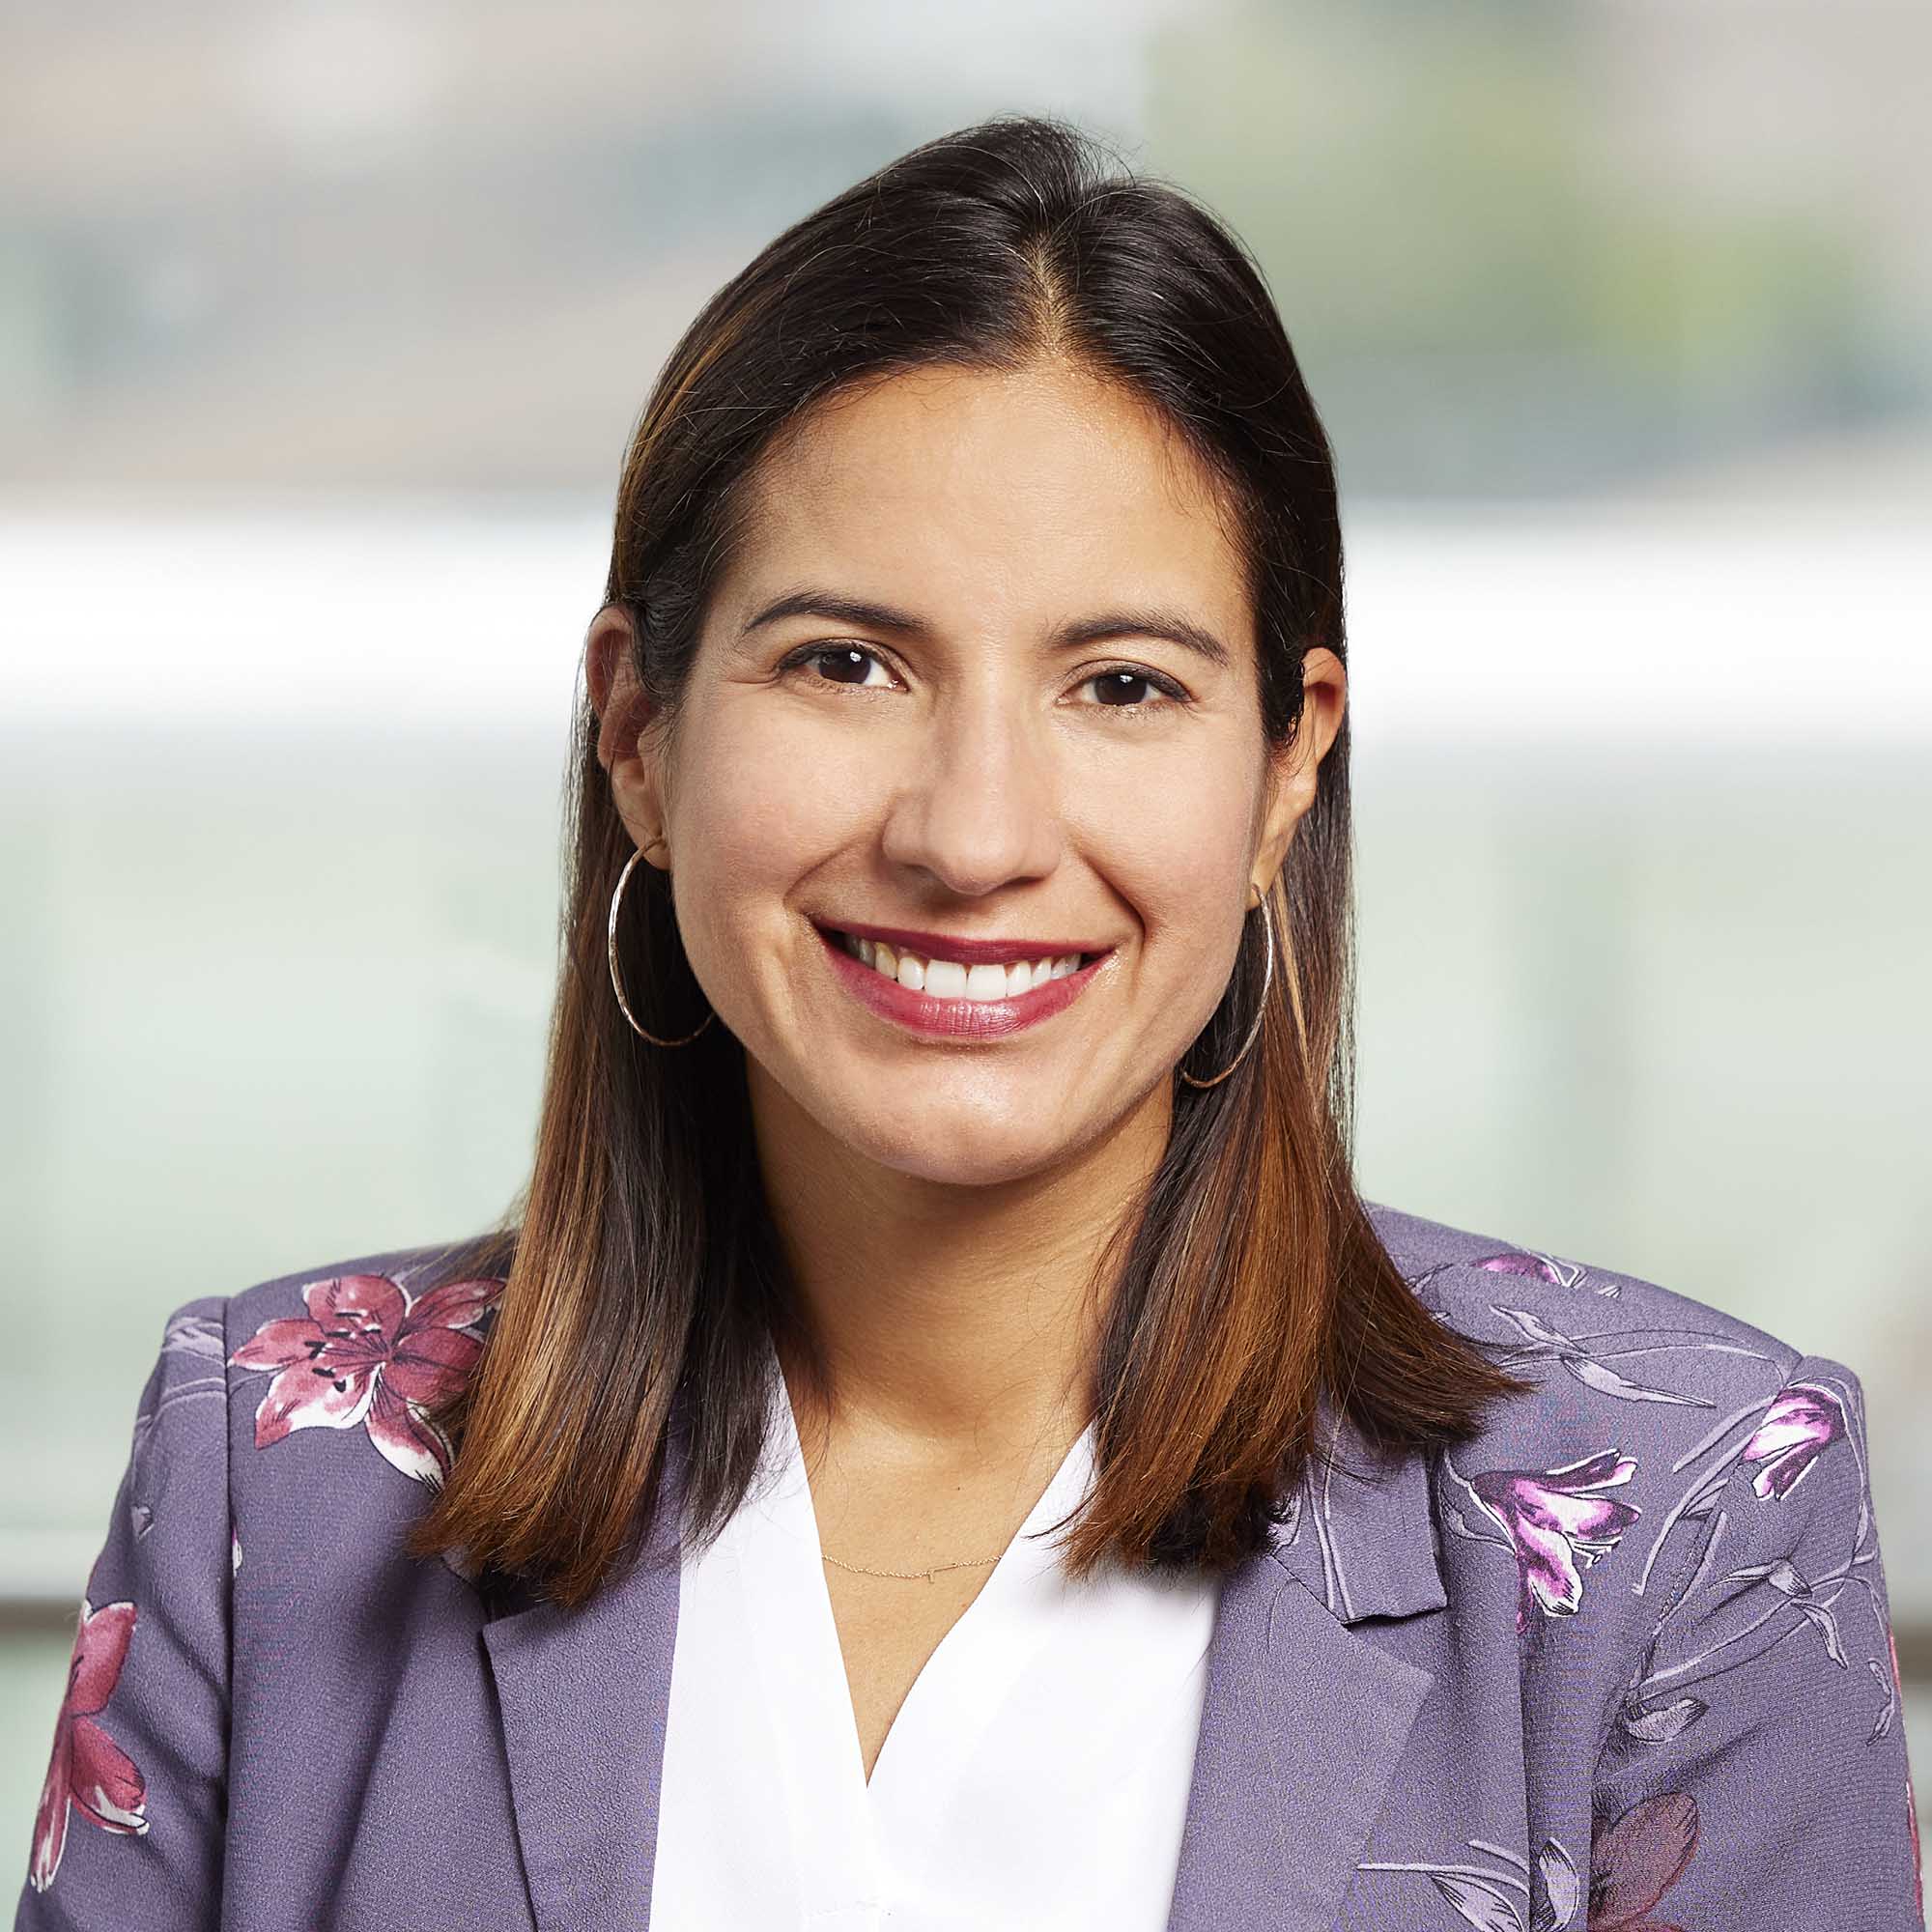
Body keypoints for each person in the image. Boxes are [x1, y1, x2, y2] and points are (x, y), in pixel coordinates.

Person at [17, 113, 1922, 1932]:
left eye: (1121, 683)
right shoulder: (278, 1462)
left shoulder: (1686, 1515)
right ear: (640, 735)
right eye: (845, 662)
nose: (973, 834)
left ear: (1282, 774)